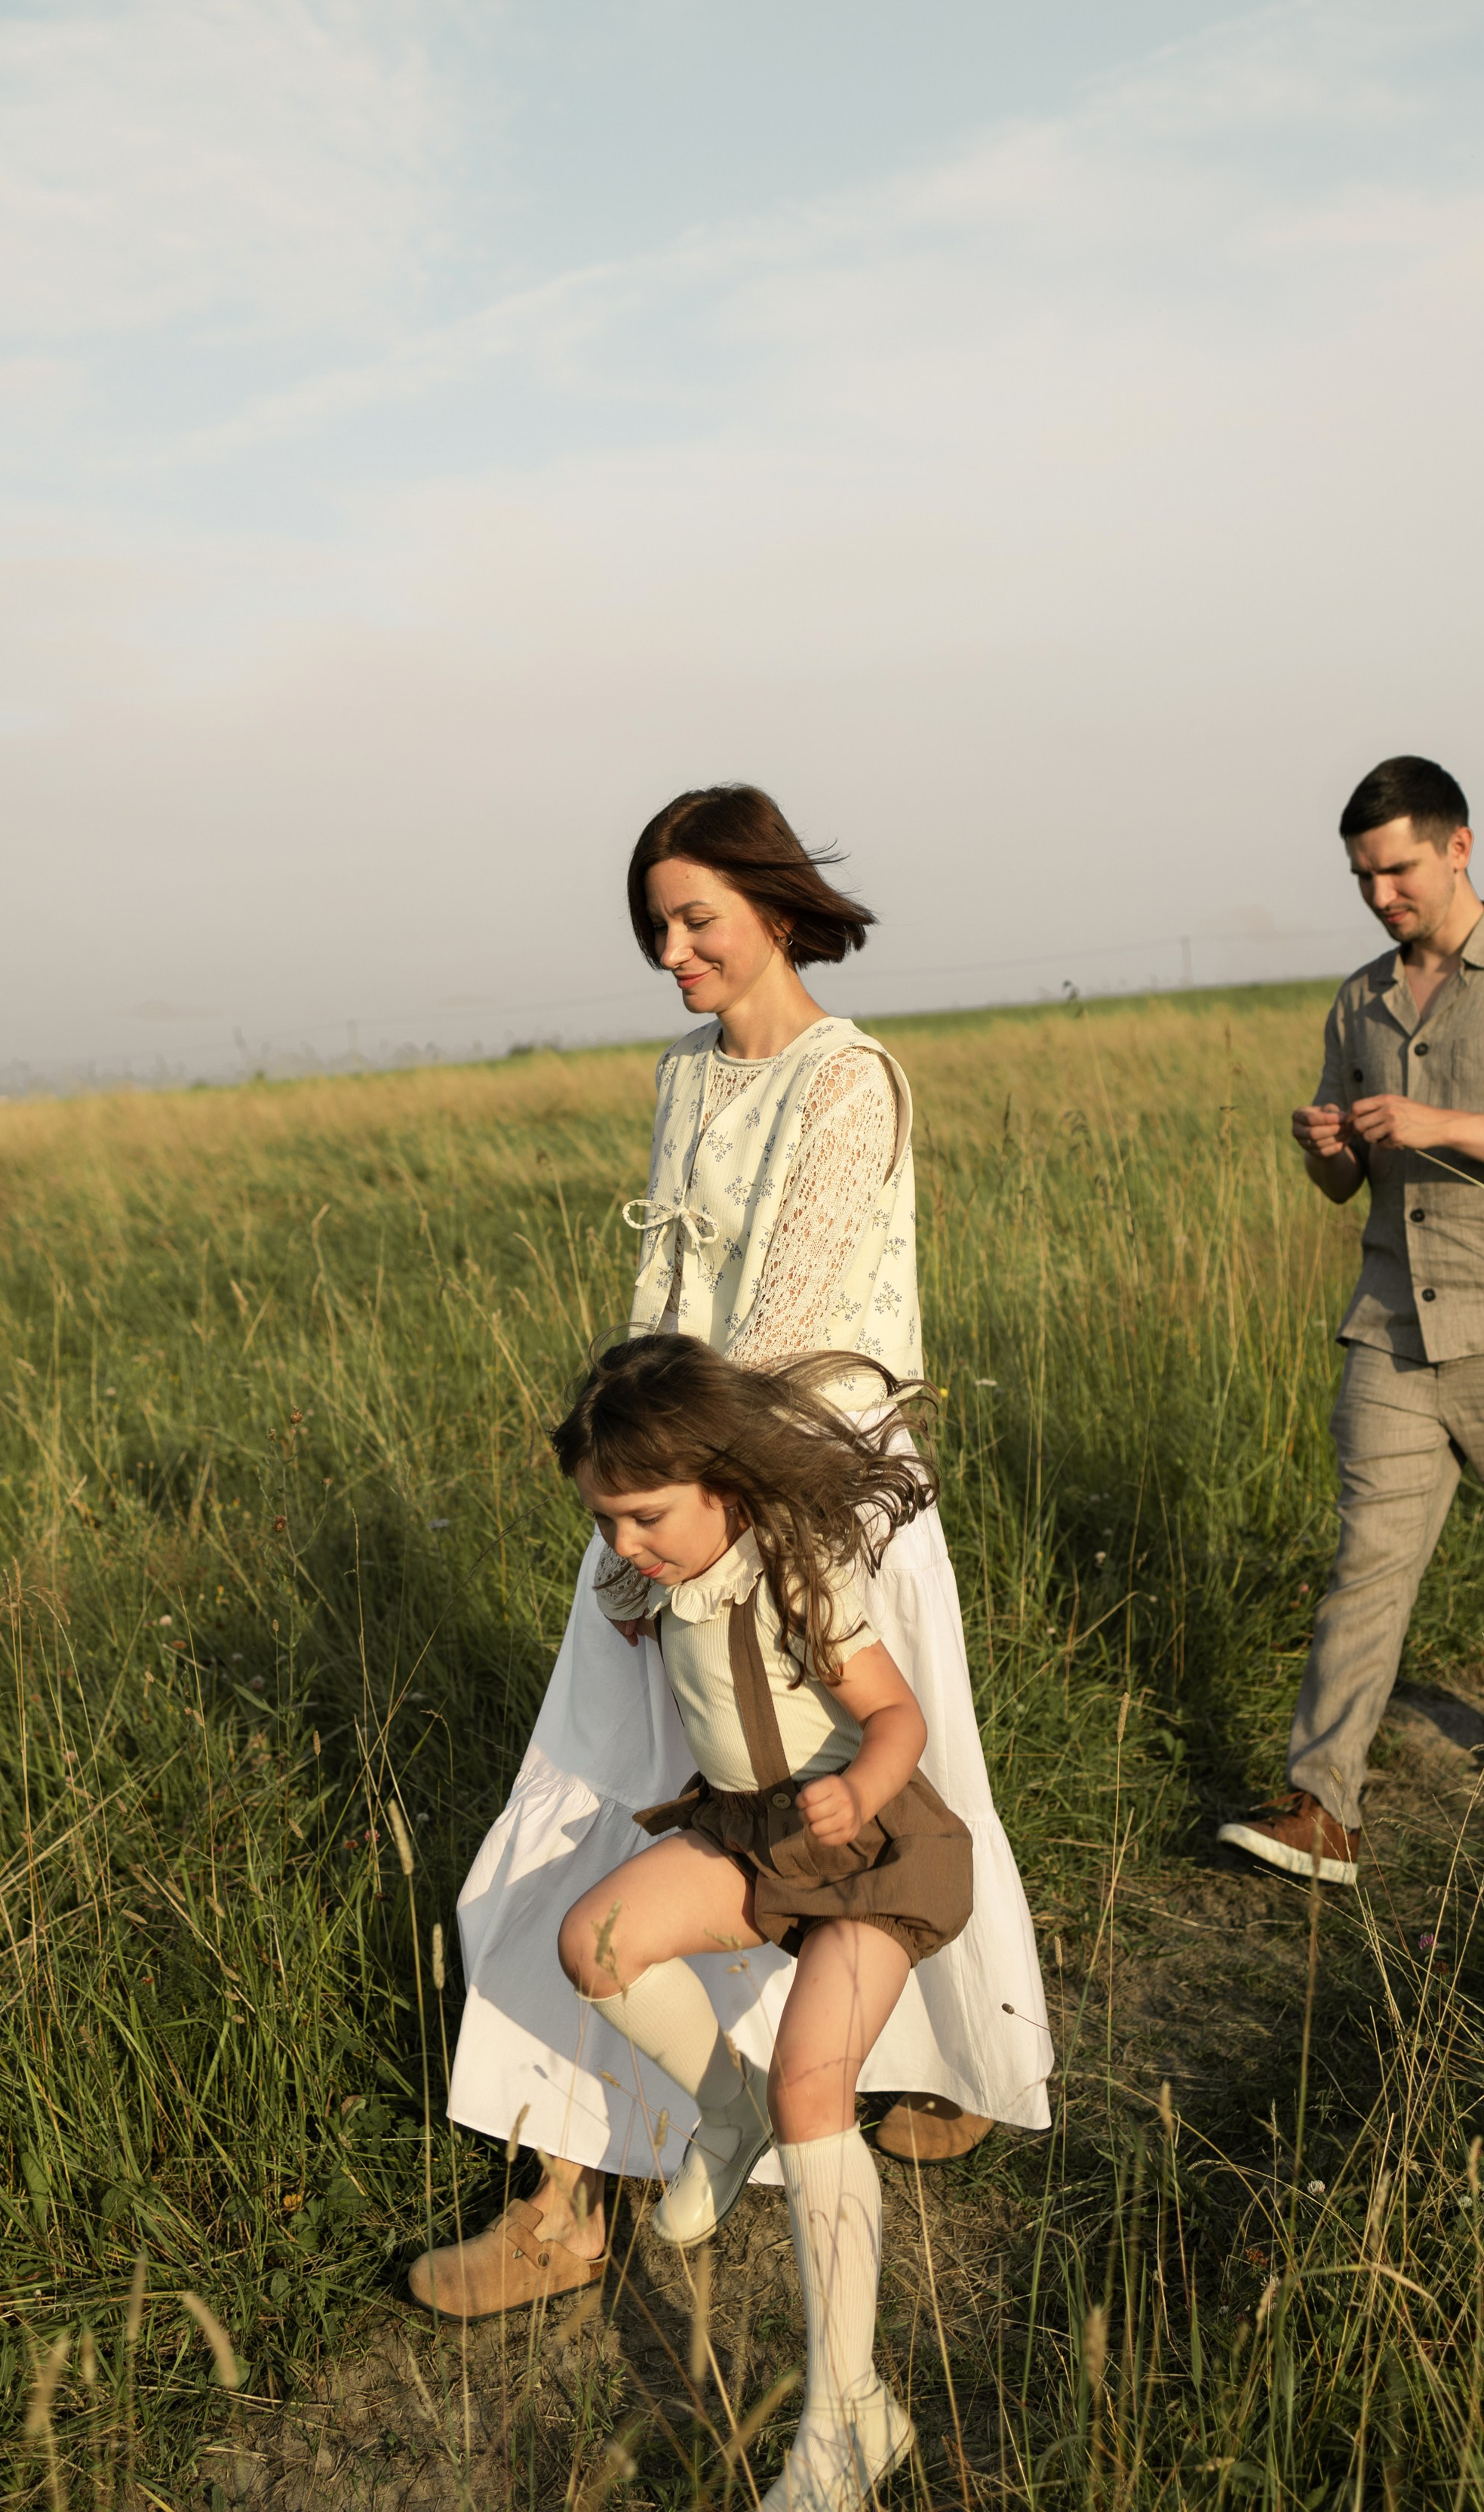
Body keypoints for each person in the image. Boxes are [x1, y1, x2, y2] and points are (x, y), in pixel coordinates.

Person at [413, 786, 1049, 2318]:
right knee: (576, 1817)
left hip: (825, 1505)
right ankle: (558, 2197)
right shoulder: (685, 1076)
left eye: (695, 918)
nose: (673, 952)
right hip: (667, 1504)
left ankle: (942, 2066)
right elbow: (664, 1296)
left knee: (880, 1806)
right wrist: (634, 1532)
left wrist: (694, 1537)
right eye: (655, 928)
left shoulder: (853, 1080)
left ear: (774, 903)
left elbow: (788, 1335)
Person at [552, 1336, 971, 2512]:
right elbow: (647, 1611)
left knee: (815, 2089)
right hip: (748, 1837)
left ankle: (851, 2413)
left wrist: (865, 1788)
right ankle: (721, 2113)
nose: (622, 1543)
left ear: (721, 1481)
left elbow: (895, 1716)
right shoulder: (655, 1572)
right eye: (604, 1521)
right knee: (596, 1942)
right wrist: (635, 1578)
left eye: (642, 1516)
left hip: (867, 1852)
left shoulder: (798, 1576)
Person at [1218, 755, 1484, 1886]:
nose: (1380, 894)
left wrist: (1438, 1122)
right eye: (1362, 876)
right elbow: (1349, 1188)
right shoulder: (1359, 999)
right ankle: (1324, 1804)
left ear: (1459, 847)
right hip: (1395, 1326)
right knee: (1365, 1564)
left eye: (1397, 868)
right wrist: (1332, 1153)